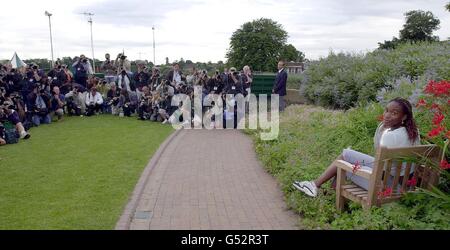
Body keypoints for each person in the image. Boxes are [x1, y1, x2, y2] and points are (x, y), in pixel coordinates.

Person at [293, 98, 421, 197]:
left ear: (404, 117)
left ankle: (315, 186)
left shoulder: (390, 135)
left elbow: (380, 164)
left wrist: (360, 165)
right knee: (347, 156)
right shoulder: (413, 132)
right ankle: (324, 191)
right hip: (403, 184)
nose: (387, 115)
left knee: (344, 161)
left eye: (394, 113)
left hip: (387, 188)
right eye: (386, 110)